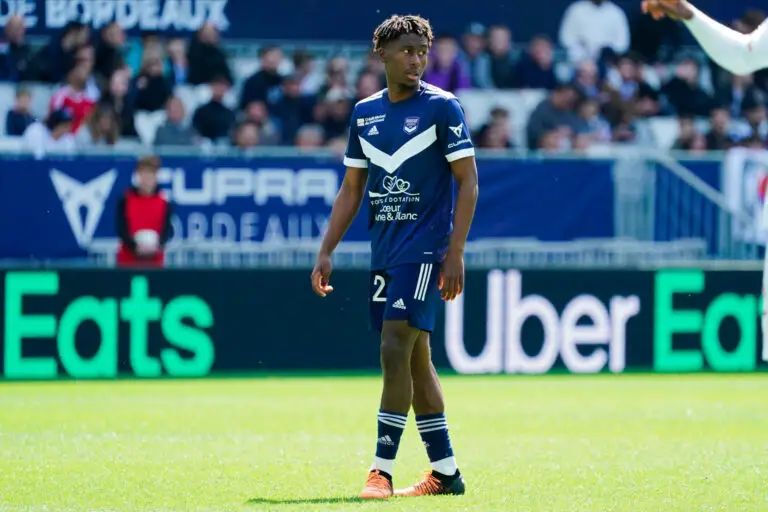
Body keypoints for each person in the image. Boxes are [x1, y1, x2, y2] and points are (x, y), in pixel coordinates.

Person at [310, 14, 478, 499]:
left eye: (423, 52)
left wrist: (455, 251)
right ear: (381, 54)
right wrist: (326, 249)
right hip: (386, 250)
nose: (417, 59)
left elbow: (468, 181)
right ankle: (445, 473)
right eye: (407, 51)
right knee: (416, 359)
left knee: (393, 347)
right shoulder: (365, 114)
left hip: (425, 250)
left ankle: (380, 471)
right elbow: (352, 188)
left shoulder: (443, 108)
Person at [115, 155, 173, 268]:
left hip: (155, 263)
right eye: (144, 174)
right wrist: (134, 247)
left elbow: (167, 230)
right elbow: (121, 229)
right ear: (138, 175)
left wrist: (157, 245)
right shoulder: (125, 200)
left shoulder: (165, 203)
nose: (147, 179)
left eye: (151, 174)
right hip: (128, 262)